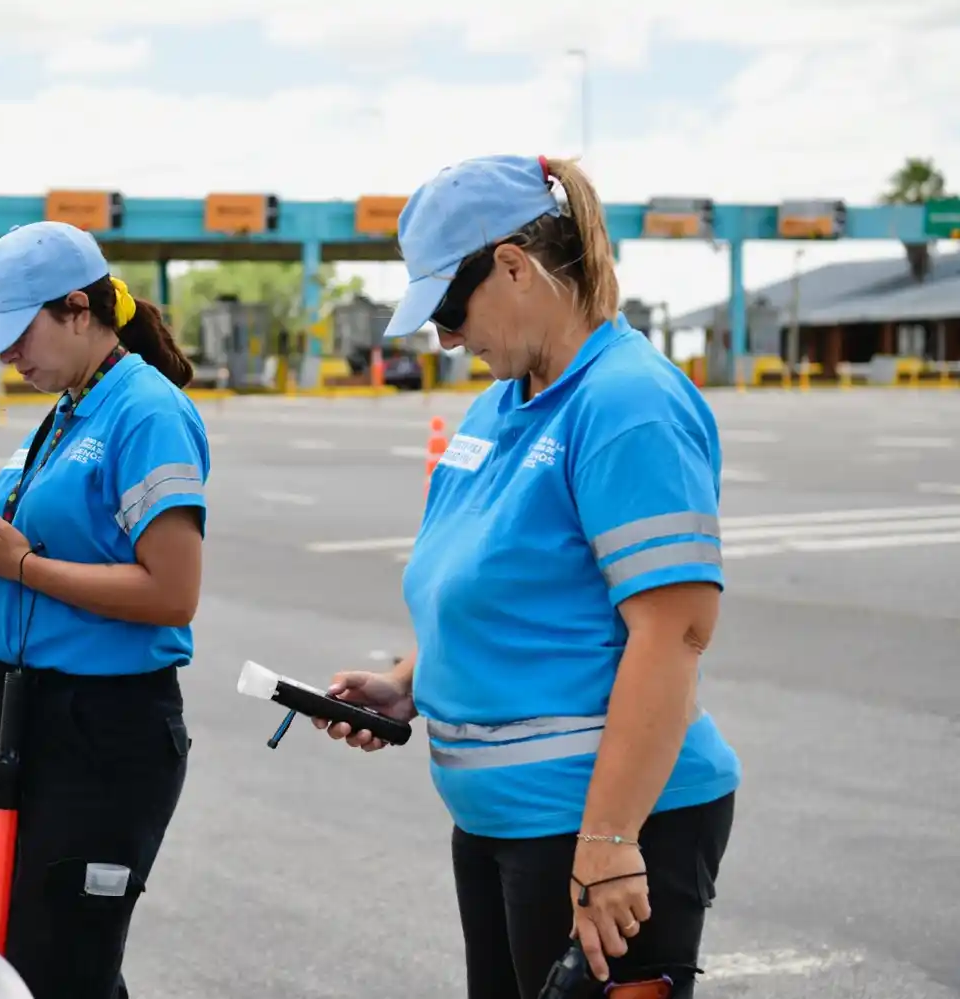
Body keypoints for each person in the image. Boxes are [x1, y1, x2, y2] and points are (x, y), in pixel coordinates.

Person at [314, 154, 740, 998]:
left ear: (513, 266)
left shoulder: (627, 403)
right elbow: (503, 592)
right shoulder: (498, 406)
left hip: (595, 822)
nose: (444, 338)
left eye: (447, 309)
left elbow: (675, 632)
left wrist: (610, 840)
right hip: (502, 823)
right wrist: (410, 683)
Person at [0, 221, 209, 999]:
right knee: (45, 963)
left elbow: (172, 593)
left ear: (78, 309)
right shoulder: (72, 407)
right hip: (36, 715)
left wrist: (21, 564)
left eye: (20, 334)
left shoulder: (145, 412)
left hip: (106, 728)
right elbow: (53, 546)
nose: (10, 357)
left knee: (61, 969)